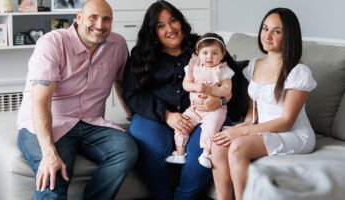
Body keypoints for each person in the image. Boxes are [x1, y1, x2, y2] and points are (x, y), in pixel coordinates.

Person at [16, 0, 138, 199]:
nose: (100, 25)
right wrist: (49, 153)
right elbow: (40, 101)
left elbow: (121, 81)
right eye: (93, 17)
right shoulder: (52, 43)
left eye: (106, 19)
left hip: (91, 121)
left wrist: (131, 115)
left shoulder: (117, 44)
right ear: (79, 17)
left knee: (126, 151)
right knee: (54, 175)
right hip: (51, 120)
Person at [122, 1, 234, 199]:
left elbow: (237, 86)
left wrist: (221, 101)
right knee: (151, 145)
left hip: (208, 113)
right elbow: (133, 94)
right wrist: (166, 116)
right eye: (161, 25)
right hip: (156, 114)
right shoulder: (142, 55)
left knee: (202, 151)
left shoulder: (206, 46)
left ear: (181, 21)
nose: (170, 29)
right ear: (153, 31)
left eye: (173, 20)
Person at [211, 7, 317, 200]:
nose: (267, 36)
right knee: (218, 143)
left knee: (238, 146)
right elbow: (253, 112)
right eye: (265, 28)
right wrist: (243, 125)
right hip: (262, 128)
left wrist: (241, 132)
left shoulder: (298, 71)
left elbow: (286, 121)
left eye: (277, 31)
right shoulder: (255, 65)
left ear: (289, 36)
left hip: (293, 133)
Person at [165, 33, 234, 169]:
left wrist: (211, 90)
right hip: (194, 109)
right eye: (205, 52)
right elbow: (186, 84)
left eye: (215, 53)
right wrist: (195, 86)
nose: (209, 57)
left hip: (216, 110)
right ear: (198, 53)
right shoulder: (192, 68)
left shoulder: (223, 70)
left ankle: (206, 154)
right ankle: (180, 154)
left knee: (210, 128)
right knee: (182, 125)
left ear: (223, 54)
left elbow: (226, 89)